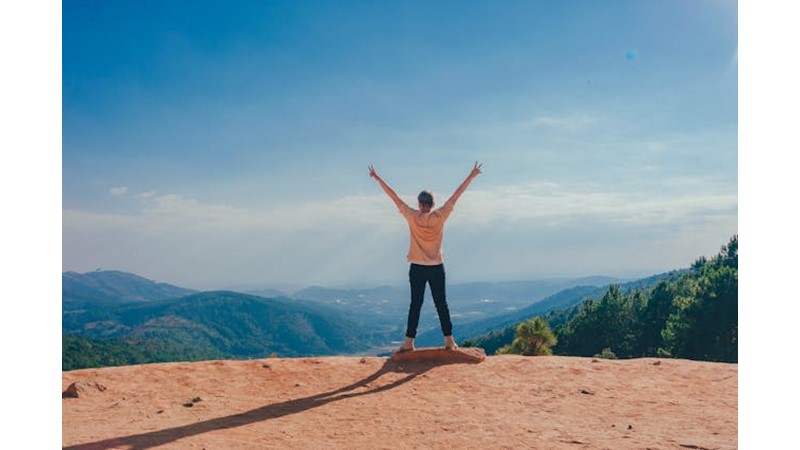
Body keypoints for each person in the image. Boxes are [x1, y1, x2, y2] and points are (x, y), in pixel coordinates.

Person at [369, 161, 482, 353]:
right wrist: (471, 175)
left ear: (420, 204)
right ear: (433, 204)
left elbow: (394, 197)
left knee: (415, 304)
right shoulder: (441, 216)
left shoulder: (412, 216)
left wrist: (378, 178)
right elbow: (457, 195)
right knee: (441, 304)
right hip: (437, 266)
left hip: (417, 267)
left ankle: (409, 342)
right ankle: (449, 341)